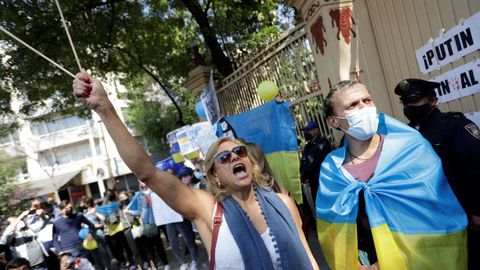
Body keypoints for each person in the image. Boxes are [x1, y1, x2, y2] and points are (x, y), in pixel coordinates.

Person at [72, 69, 318, 269]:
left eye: (240, 152)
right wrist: (105, 109)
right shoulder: (207, 210)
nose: (234, 157)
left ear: (251, 163)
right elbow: (147, 172)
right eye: (224, 157)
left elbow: (308, 258)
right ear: (215, 175)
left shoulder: (283, 203)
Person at [316, 80, 468, 269]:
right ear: (333, 121)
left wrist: (387, 261)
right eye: (353, 105)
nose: (364, 108)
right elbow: (333, 228)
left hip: (419, 257)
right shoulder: (332, 168)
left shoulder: (409, 147)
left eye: (367, 100)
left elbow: (433, 212)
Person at [394, 78, 480, 269]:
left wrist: (477, 211)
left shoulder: (454, 126)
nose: (409, 107)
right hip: (431, 221)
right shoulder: (407, 135)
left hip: (464, 216)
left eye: (415, 100)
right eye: (405, 102)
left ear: (433, 100)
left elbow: (476, 169)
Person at [299, 121, 331, 231]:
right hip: (311, 183)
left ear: (316, 130)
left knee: (326, 207)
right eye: (305, 131)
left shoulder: (323, 143)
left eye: (308, 130)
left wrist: (305, 172)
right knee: (316, 208)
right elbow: (303, 163)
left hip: (322, 182)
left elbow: (316, 162)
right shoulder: (307, 147)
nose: (306, 133)